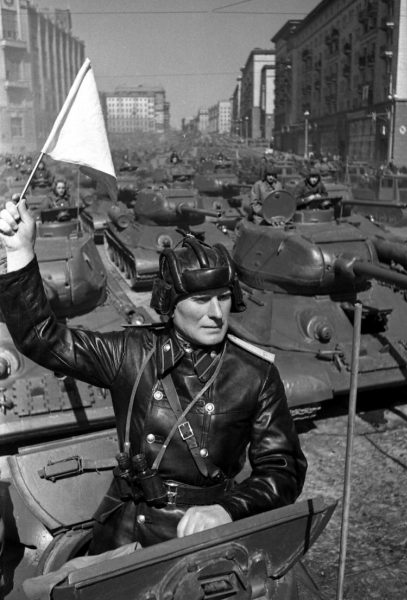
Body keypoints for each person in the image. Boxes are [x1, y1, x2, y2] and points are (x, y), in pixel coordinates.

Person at [0, 199, 307, 590]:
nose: (216, 313)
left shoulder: (255, 374)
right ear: (170, 304)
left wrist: (228, 510)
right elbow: (43, 339)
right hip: (122, 528)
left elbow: (283, 470)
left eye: (223, 297)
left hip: (198, 535)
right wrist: (20, 252)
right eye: (200, 300)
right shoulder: (132, 353)